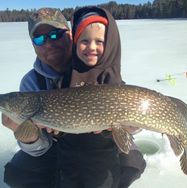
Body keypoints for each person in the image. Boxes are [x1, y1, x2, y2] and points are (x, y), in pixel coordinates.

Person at [58, 6, 146, 188]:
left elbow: (131, 120)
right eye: (84, 41)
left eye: (99, 41)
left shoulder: (112, 78)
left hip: (102, 155)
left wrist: (130, 128)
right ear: (75, 43)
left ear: (110, 43)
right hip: (67, 155)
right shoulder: (67, 74)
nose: (91, 47)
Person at [2, 8, 72, 188]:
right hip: (55, 147)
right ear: (34, 46)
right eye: (40, 39)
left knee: (131, 163)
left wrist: (131, 128)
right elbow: (41, 149)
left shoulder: (92, 66)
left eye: (55, 34)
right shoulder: (31, 83)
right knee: (18, 174)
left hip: (99, 144)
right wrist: (29, 138)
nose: (48, 44)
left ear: (70, 35)